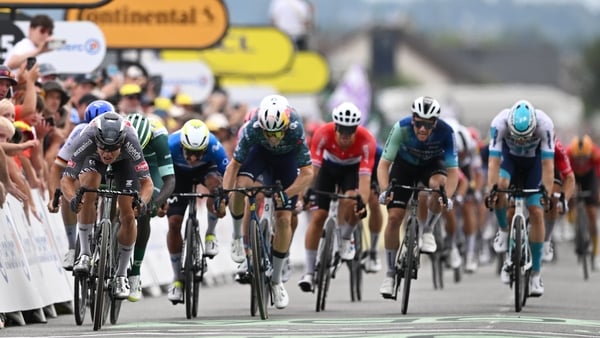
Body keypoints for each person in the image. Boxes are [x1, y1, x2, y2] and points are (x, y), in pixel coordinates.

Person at [222, 94, 313, 309]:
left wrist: (288, 194)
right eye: (268, 132)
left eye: (276, 132)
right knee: (241, 184)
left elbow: (308, 173)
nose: (272, 137)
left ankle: (276, 281)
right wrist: (225, 194)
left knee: (283, 218)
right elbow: (233, 166)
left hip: (286, 160)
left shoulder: (295, 129)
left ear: (286, 125)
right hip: (259, 154)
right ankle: (237, 236)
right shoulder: (253, 128)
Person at [60, 112, 154, 299]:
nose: (107, 153)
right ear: (97, 140)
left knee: (128, 214)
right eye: (103, 147)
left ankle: (120, 276)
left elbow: (147, 184)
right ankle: (85, 253)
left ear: (121, 143)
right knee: (87, 190)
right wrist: (73, 199)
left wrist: (142, 201)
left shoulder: (130, 141)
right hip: (91, 158)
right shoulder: (88, 137)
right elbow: (67, 179)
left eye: (112, 149)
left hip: (125, 162)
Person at [377, 96, 458, 299]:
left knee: (438, 188)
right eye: (419, 123)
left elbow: (453, 171)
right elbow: (384, 164)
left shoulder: (446, 132)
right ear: (413, 119)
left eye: (428, 125)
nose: (422, 129)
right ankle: (389, 274)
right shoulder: (400, 128)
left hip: (432, 165)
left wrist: (447, 196)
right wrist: (385, 190)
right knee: (395, 217)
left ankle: (428, 229)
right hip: (404, 167)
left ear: (435, 124)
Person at [297, 102, 375, 292]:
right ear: (336, 127)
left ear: (357, 129)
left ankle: (346, 239)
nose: (346, 136)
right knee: (318, 217)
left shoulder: (367, 141)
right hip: (328, 169)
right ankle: (309, 272)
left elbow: (365, 179)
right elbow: (313, 171)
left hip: (352, 170)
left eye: (350, 132)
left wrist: (362, 202)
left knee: (350, 200)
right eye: (342, 131)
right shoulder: (323, 133)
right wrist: (305, 193)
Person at [485, 99, 554, 297]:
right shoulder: (499, 123)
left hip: (534, 164)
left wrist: (546, 193)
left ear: (535, 126)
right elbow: (493, 162)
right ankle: (504, 231)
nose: (522, 140)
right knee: (501, 187)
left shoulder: (545, 124)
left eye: (527, 136)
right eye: (518, 136)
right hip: (510, 161)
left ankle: (536, 275)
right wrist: (492, 189)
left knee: (537, 211)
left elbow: (549, 165)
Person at [165, 119, 229, 304]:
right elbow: (159, 172)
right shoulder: (171, 144)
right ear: (182, 146)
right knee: (174, 222)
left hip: (206, 170)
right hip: (178, 173)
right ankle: (177, 279)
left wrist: (223, 199)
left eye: (198, 153)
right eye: (189, 153)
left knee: (216, 187)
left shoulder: (215, 146)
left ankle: (210, 234)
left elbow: (228, 174)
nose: (193, 159)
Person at [48, 100, 113, 270]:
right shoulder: (80, 132)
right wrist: (53, 196)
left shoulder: (120, 131)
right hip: (89, 165)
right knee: (72, 190)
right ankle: (72, 247)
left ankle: (111, 245)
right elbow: (58, 167)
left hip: (113, 167)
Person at [125, 113, 175, 302]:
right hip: (124, 159)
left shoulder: (159, 137)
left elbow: (170, 180)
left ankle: (135, 272)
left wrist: (156, 202)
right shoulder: (120, 130)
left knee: (145, 211)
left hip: (150, 165)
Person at [566, 134, 600, 269]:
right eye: (577, 158)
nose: (580, 161)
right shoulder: (568, 153)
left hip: (589, 176)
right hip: (572, 174)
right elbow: (564, 174)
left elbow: (598, 176)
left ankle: (596, 253)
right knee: (570, 196)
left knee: (592, 212)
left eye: (584, 158)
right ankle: (570, 222)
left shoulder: (595, 154)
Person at [542, 137, 575, 262]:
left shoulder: (555, 145)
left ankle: (547, 240)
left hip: (549, 167)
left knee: (553, 199)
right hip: (524, 165)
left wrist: (563, 200)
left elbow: (570, 178)